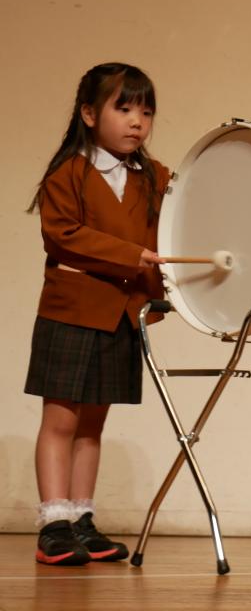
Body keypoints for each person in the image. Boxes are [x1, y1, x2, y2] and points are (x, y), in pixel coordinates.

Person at [25, 63, 171, 566]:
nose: (137, 122)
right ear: (89, 114)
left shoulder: (156, 178)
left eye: (146, 112)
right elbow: (62, 235)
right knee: (61, 420)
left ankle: (82, 518)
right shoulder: (67, 173)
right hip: (72, 310)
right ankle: (53, 521)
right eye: (124, 108)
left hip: (121, 315)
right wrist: (131, 255)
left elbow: (170, 233)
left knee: (93, 422)